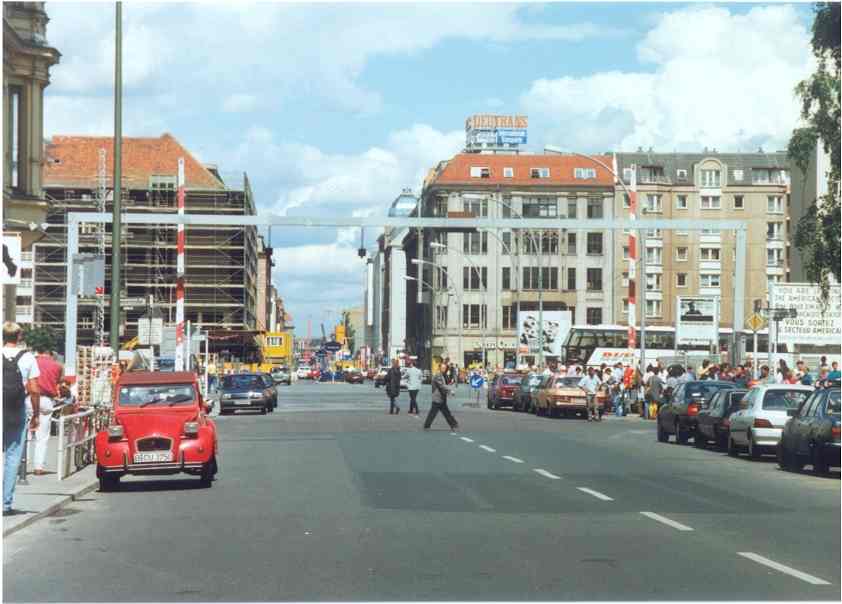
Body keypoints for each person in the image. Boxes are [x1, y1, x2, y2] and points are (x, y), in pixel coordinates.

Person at [3, 322, 41, 515]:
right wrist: (35, 414)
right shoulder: (28, 358)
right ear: (18, 336)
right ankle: (5, 504)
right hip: (16, 409)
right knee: (12, 456)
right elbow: (34, 389)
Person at [29, 344, 64, 475]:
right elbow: (59, 381)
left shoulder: (31, 361)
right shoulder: (58, 365)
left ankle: (21, 465)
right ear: (50, 352)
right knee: (42, 436)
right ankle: (38, 467)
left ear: (38, 351)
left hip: (29, 398)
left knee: (24, 434)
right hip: (46, 400)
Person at [424, 362, 459, 431]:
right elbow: (441, 386)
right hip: (437, 397)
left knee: (445, 412)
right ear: (439, 368)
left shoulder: (443, 375)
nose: (444, 369)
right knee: (434, 413)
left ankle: (453, 423)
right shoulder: (438, 375)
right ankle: (453, 423)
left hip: (441, 397)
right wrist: (450, 391)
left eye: (445, 368)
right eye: (443, 368)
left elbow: (445, 384)